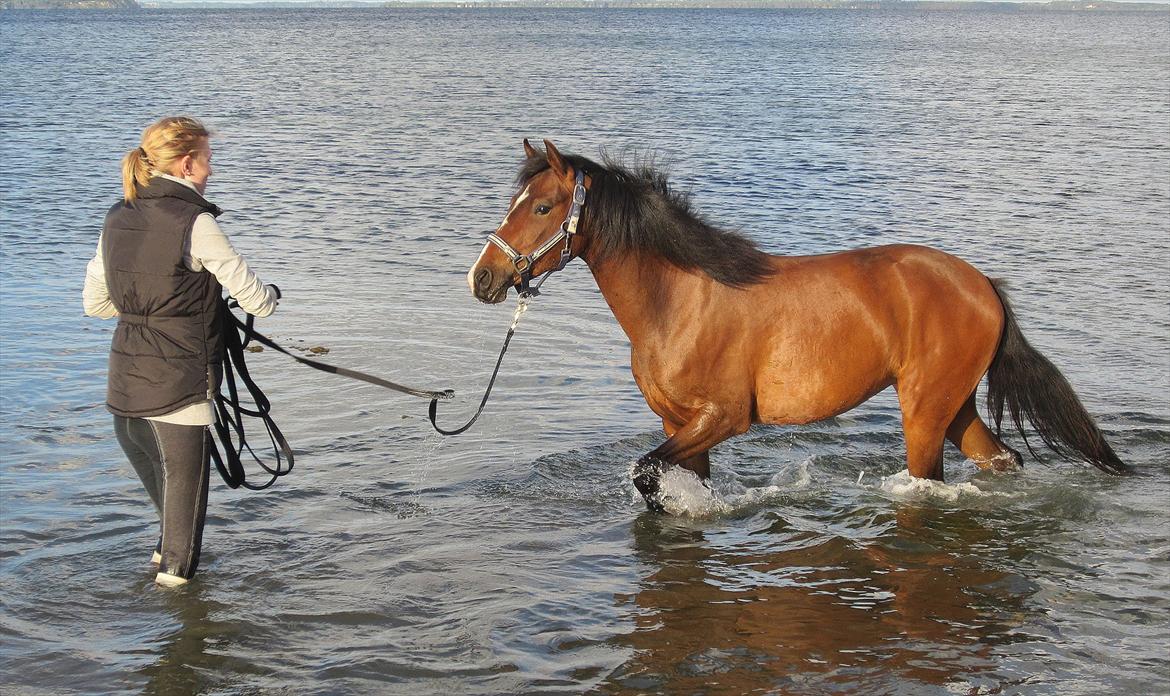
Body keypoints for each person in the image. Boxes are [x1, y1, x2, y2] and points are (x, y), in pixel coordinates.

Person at [83, 116, 279, 587]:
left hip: (125, 398)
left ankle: (146, 636)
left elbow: (97, 304)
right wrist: (268, 293)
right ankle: (181, 651)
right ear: (188, 164)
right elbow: (258, 303)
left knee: (167, 537)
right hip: (180, 397)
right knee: (181, 551)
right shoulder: (196, 221)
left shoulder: (117, 215)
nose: (211, 171)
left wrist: (158, 305)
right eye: (208, 161)